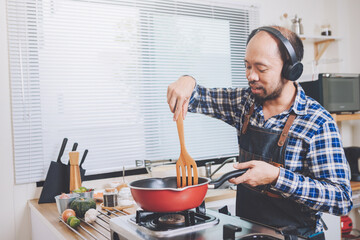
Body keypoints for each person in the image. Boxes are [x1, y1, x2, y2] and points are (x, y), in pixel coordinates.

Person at [167, 26, 352, 238]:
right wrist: (187, 81)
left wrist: (276, 177)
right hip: (250, 234)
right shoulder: (244, 103)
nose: (250, 76)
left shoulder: (318, 122)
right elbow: (196, 97)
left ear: (290, 70)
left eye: (261, 69)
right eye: (247, 66)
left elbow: (341, 199)